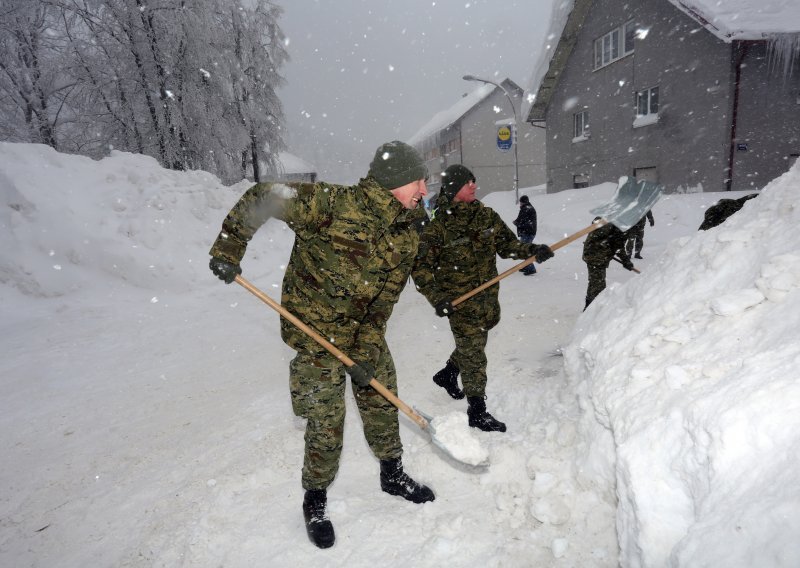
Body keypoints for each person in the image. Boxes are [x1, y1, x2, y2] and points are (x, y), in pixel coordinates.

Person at [208, 141, 435, 549]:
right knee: (325, 423)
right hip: (315, 337)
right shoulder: (332, 205)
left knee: (383, 403)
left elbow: (385, 300)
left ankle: (392, 474)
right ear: (394, 180)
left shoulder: (406, 234)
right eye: (418, 180)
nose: (424, 188)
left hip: (364, 334)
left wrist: (365, 348)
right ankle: (315, 500)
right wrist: (229, 247)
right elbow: (264, 196)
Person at [412, 165, 554, 432]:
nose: (475, 186)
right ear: (455, 189)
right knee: (474, 353)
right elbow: (420, 269)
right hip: (459, 302)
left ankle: (448, 373)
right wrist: (437, 298)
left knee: (475, 340)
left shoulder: (486, 216)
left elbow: (508, 245)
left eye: (474, 181)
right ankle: (477, 411)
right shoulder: (439, 228)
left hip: (487, 299)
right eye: (469, 183)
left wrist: (533, 251)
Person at [582, 218, 635, 310]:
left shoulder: (607, 220)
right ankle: (591, 310)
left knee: (594, 283)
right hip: (597, 258)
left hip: (591, 254)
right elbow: (618, 247)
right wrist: (626, 261)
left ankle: (589, 307)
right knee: (599, 286)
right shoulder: (617, 227)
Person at [513, 195, 538, 275]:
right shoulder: (528, 208)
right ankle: (526, 266)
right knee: (524, 250)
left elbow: (522, 221)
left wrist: (516, 223)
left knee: (525, 250)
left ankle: (531, 269)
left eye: (520, 202)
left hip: (527, 233)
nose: (520, 204)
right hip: (529, 232)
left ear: (523, 202)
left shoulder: (526, 209)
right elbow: (523, 220)